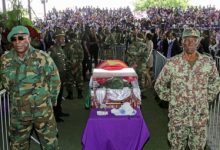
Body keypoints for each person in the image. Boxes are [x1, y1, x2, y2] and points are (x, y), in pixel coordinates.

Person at [154, 27, 220, 150]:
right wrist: (172, 98)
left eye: (194, 39)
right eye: (187, 39)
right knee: (177, 147)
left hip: (199, 118)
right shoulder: (173, 63)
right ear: (182, 42)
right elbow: (159, 85)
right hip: (178, 117)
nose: (190, 43)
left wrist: (206, 98)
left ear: (198, 42)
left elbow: (215, 83)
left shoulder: (208, 62)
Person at [0, 25, 60, 149]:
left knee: (50, 145)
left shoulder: (42, 57)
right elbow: (3, 82)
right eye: (14, 39)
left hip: (42, 112)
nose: (18, 42)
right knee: (17, 146)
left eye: (21, 38)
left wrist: (51, 101)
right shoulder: (5, 60)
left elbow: (55, 80)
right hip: (19, 113)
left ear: (29, 39)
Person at [48, 29, 69, 122]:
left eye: (63, 37)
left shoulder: (60, 48)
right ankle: (55, 116)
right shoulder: (52, 50)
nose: (63, 39)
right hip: (56, 78)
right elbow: (48, 64)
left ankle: (59, 111)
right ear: (56, 39)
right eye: (61, 37)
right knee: (56, 96)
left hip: (62, 76)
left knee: (60, 95)